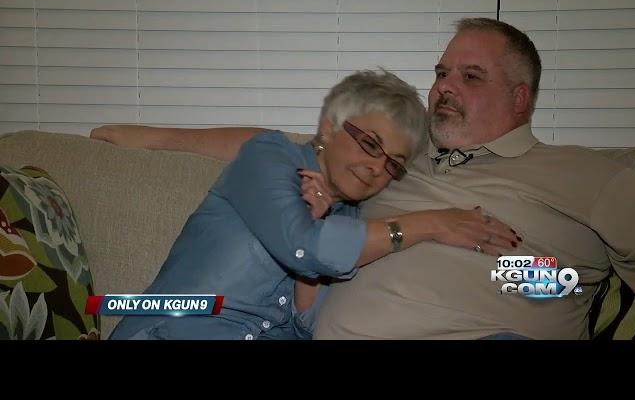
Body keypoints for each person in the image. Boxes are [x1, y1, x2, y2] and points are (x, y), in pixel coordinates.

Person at [94, 18, 635, 340]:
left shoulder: (591, 177)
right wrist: (153, 138)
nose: (445, 87)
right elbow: (281, 149)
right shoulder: (392, 162)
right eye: (441, 73)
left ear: (520, 98)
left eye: (470, 76)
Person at [107, 69, 517, 340]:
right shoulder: (269, 158)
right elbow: (301, 247)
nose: (377, 168)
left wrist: (319, 242)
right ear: (328, 127)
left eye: (392, 163)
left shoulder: (348, 220)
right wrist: (429, 224)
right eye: (371, 144)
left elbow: (306, 325)